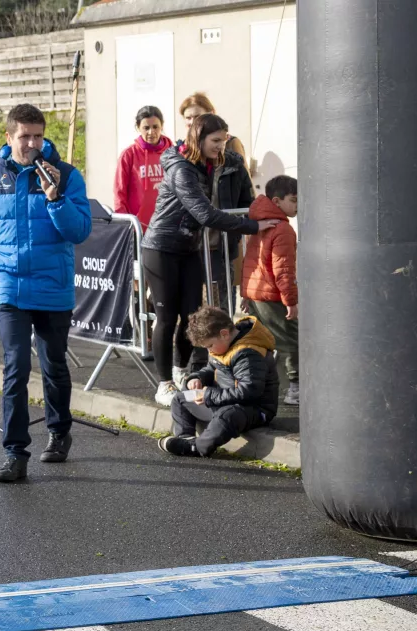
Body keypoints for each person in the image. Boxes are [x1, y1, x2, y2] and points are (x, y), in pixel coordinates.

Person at [0, 103, 92, 483]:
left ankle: (59, 431)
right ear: (9, 136)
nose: (32, 144)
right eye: (24, 136)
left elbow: (80, 231)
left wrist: (55, 199)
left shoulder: (66, 176)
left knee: (54, 365)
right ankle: (14, 453)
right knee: (15, 367)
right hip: (9, 287)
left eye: (38, 136)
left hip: (53, 286)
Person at [142, 113, 279, 407]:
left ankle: (180, 372)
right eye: (216, 140)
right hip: (161, 248)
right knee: (166, 317)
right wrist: (253, 226)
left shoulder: (207, 163)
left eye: (224, 140)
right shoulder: (182, 169)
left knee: (191, 315)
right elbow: (204, 214)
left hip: (189, 248)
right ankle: (164, 384)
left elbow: (239, 190)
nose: (221, 146)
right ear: (199, 138)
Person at [158, 305, 279, 457]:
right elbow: (211, 369)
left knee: (226, 415)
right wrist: (197, 378)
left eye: (209, 346)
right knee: (180, 399)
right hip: (224, 400)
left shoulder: (248, 353)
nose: (209, 350)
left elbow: (249, 391)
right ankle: (185, 438)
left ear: (224, 334)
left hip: (254, 409)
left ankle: (197, 447)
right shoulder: (223, 345)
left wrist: (209, 395)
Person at [242, 174, 299, 405]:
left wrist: (245, 293)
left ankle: (256, 387)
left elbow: (250, 261)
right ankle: (296, 389)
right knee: (293, 340)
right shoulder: (283, 229)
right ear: (277, 201)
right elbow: (283, 270)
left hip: (256, 293)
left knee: (262, 343)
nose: (298, 205)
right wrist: (290, 301)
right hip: (271, 295)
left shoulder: (259, 223)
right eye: (293, 200)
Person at [114, 106, 172, 229]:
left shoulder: (173, 153)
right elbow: (119, 193)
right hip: (139, 228)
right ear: (138, 127)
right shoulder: (128, 155)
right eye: (146, 128)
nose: (151, 132)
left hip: (169, 226)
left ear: (162, 125)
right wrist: (124, 224)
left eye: (155, 127)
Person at [178, 93, 247, 161]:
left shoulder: (231, 143)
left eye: (197, 117)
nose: (192, 122)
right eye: (188, 118)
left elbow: (242, 168)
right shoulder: (182, 147)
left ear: (211, 114)